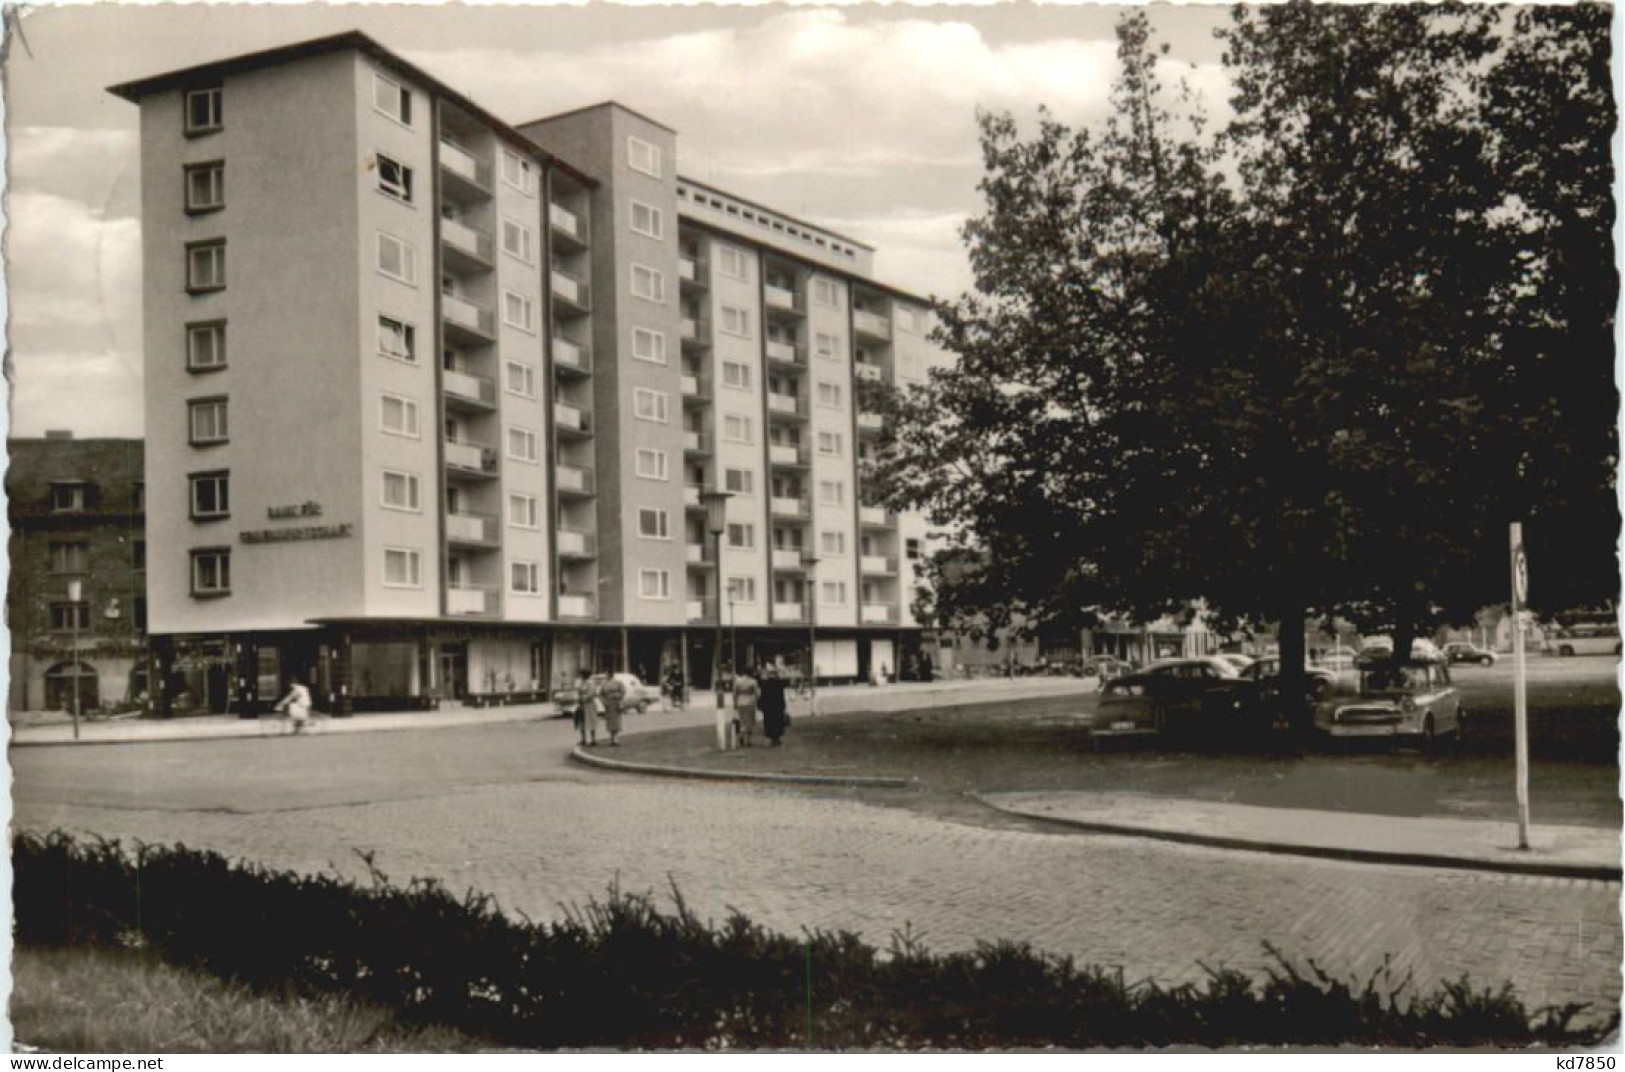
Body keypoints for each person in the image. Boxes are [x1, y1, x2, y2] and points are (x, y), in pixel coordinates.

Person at [759, 664, 789, 746]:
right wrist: (783, 705)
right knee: (778, 722)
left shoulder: (765, 684)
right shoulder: (779, 684)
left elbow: (763, 696)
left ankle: (772, 737)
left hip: (768, 707)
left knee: (769, 722)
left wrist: (761, 706)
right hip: (777, 706)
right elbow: (781, 696)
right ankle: (777, 738)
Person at [732, 666, 760, 747]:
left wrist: (735, 702)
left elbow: (735, 693)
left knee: (742, 720)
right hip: (750, 702)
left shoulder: (738, 681)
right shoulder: (753, 682)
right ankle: (748, 740)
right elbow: (757, 693)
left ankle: (741, 735)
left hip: (740, 701)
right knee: (750, 721)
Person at [599, 673, 627, 745]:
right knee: (610, 722)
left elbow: (623, 691)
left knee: (617, 721)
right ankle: (612, 739)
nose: (606, 676)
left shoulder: (618, 682)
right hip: (608, 704)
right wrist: (604, 702)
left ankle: (616, 739)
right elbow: (601, 694)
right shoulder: (604, 684)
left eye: (607, 674)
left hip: (616, 703)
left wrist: (619, 696)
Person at [571, 669, 596, 747]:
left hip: (589, 704)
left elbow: (591, 693)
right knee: (581, 721)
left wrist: (583, 698)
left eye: (582, 675)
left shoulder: (590, 683)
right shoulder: (581, 683)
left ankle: (593, 739)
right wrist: (578, 698)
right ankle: (583, 739)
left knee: (591, 721)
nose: (581, 677)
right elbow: (578, 691)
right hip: (581, 705)